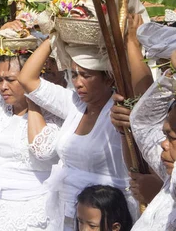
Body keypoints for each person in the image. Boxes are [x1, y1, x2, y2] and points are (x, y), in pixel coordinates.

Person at [18, 39, 137, 230]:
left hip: (106, 216)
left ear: (108, 78)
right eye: (74, 75)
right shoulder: (74, 104)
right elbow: (27, 79)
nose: (77, 83)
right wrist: (54, 35)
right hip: (69, 210)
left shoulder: (120, 111)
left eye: (85, 75)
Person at [0, 20, 62, 230]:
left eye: (11, 80)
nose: (3, 87)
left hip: (29, 211)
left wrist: (33, 95)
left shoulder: (54, 113)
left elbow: (42, 150)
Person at [111, 41, 176, 230]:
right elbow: (143, 122)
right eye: (165, 135)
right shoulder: (171, 173)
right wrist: (174, 77)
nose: (163, 145)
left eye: (174, 138)